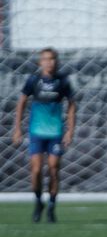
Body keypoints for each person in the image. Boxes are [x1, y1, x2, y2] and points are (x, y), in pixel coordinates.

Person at [13, 47, 77, 223]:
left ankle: (51, 207)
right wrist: (17, 128)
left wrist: (70, 130)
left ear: (57, 61)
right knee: (35, 170)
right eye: (46, 59)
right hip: (36, 132)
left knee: (54, 168)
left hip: (55, 133)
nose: (50, 62)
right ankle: (38, 202)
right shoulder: (33, 80)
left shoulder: (63, 81)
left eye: (53, 59)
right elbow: (22, 102)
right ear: (40, 62)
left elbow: (72, 104)